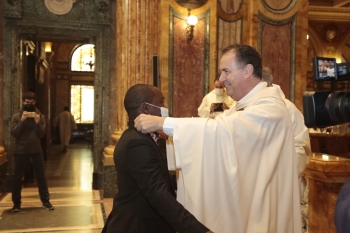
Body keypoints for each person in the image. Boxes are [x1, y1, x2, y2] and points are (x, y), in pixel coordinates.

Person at [135, 44, 302, 233]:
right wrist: (172, 133)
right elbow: (220, 132)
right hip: (250, 201)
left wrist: (163, 123)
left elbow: (220, 132)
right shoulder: (245, 105)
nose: (221, 79)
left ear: (247, 70)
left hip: (262, 206)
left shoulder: (270, 108)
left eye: (226, 71)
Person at [102, 84, 212, 233]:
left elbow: (158, 178)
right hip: (137, 226)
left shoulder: (138, 137)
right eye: (161, 102)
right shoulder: (137, 143)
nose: (165, 107)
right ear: (145, 108)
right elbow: (158, 194)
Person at [262, 66, 311, 195]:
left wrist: (279, 174)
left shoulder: (288, 109)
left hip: (280, 185)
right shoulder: (244, 107)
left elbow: (301, 147)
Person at [10, 91, 54, 212]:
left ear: (35, 102)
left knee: (41, 177)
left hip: (36, 150)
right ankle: (16, 204)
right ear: (23, 102)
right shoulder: (16, 117)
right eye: (27, 102)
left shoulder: (40, 116)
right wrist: (22, 121)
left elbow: (41, 134)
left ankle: (46, 201)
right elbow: (14, 133)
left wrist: (37, 123)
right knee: (17, 177)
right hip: (20, 150)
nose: (29, 104)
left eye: (31, 102)